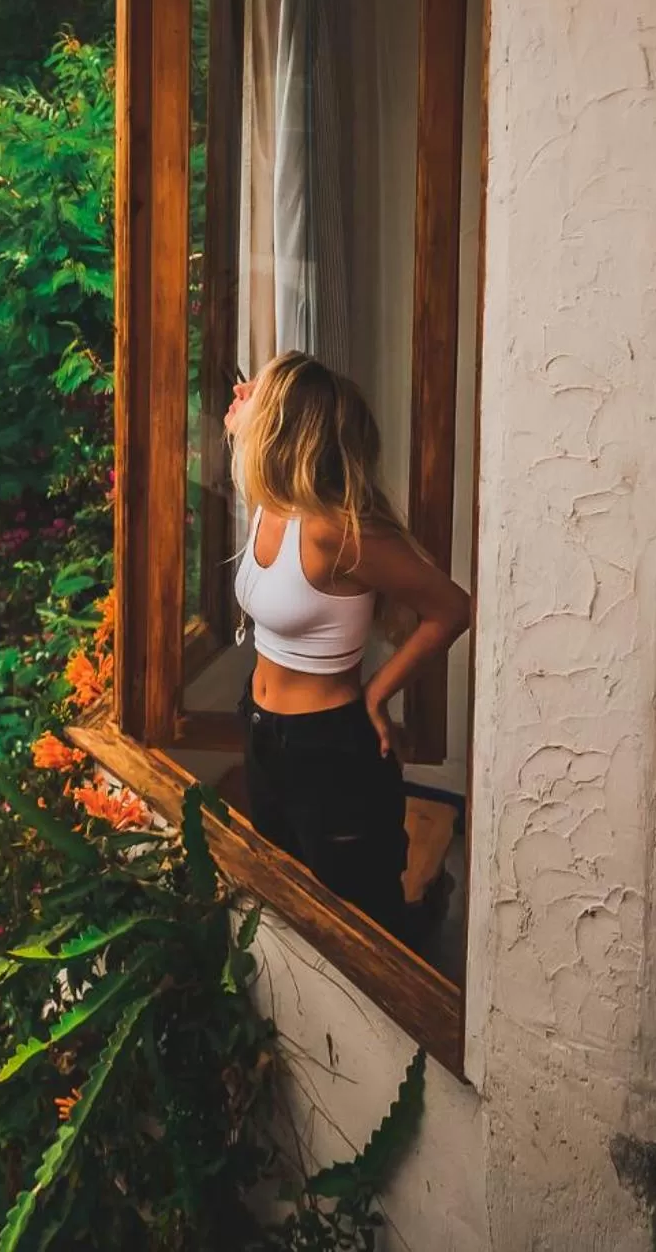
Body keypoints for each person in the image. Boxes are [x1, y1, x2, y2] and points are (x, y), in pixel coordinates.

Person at [225, 352, 471, 940]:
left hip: (329, 752)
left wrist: (378, 694)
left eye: (255, 388)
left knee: (361, 929)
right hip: (262, 732)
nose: (240, 390)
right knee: (283, 903)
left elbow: (451, 608)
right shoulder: (268, 504)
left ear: (280, 424)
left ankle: (422, 939)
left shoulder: (333, 528)